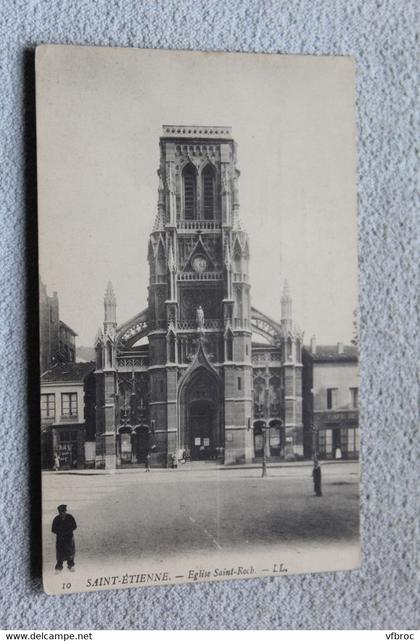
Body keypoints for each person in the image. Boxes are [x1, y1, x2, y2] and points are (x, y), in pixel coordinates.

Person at [51, 504, 77, 573]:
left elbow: (74, 526)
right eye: (61, 512)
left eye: (64, 511)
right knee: (60, 554)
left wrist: (68, 530)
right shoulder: (56, 519)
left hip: (69, 538)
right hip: (60, 539)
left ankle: (70, 565)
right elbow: (53, 529)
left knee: (70, 552)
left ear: (66, 511)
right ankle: (59, 567)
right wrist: (60, 532)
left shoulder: (70, 517)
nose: (63, 513)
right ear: (59, 512)